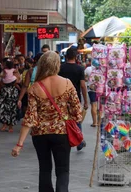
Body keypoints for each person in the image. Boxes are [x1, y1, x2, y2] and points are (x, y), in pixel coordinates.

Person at [12, 51, 82, 192]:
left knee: (44, 169)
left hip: (40, 134)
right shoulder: (67, 83)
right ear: (57, 65)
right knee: (62, 171)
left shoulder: (35, 87)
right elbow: (77, 113)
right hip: (61, 132)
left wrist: (19, 144)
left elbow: (30, 117)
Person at [58, 47, 88, 151]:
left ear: (66, 56)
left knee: (63, 119)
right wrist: (86, 101)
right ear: (76, 57)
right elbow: (83, 86)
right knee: (77, 120)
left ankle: (64, 139)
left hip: (61, 98)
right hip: (75, 98)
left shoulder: (60, 68)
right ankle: (79, 141)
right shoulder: (80, 69)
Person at [0, 60, 21, 132]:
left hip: (12, 91)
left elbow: (18, 79)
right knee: (2, 107)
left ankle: (10, 126)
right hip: (4, 91)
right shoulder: (6, 71)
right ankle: (5, 124)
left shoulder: (14, 71)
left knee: (12, 108)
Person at [84, 59, 98, 127]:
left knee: (93, 105)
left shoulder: (88, 69)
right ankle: (99, 121)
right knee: (99, 106)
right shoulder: (101, 68)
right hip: (100, 89)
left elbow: (85, 78)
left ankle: (94, 122)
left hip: (91, 89)